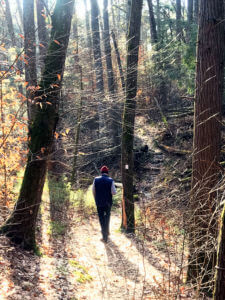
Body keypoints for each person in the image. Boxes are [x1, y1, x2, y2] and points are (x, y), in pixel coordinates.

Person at [92, 166, 116, 242]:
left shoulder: (96, 179)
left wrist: (96, 198)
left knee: (101, 218)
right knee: (107, 217)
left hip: (99, 202)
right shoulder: (110, 180)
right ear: (107, 172)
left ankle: (104, 236)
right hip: (108, 202)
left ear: (101, 172)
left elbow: (93, 191)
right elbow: (114, 192)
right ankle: (107, 232)